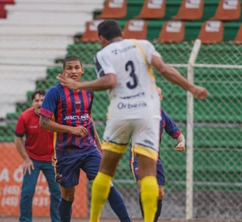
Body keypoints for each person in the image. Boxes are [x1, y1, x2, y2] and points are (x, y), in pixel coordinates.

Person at [56, 20, 209, 222]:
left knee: (105, 171)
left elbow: (110, 81)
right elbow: (165, 69)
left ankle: (94, 219)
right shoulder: (142, 45)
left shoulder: (103, 54)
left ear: (101, 38)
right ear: (122, 32)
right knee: (148, 174)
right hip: (148, 114)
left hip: (121, 114)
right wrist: (192, 87)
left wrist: (80, 85)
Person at [39, 56, 131, 222]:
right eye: (69, 68)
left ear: (82, 70)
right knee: (68, 196)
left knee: (106, 183)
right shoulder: (55, 92)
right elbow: (43, 122)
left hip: (89, 149)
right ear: (63, 71)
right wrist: (70, 129)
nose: (73, 71)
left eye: (76, 68)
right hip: (66, 153)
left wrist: (101, 150)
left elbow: (89, 120)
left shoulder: (88, 92)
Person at [129, 87, 185, 221]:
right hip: (139, 157)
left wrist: (182, 142)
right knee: (146, 188)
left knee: (159, 193)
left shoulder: (163, 116)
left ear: (161, 98)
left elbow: (178, 134)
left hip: (155, 159)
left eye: (156, 95)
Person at [14, 90, 61, 222]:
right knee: (27, 193)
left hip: (52, 160)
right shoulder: (24, 117)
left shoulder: (54, 115)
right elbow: (17, 139)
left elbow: (63, 134)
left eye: (43, 100)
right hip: (32, 160)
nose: (40, 103)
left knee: (57, 193)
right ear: (32, 102)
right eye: (37, 101)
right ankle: (25, 220)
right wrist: (26, 159)